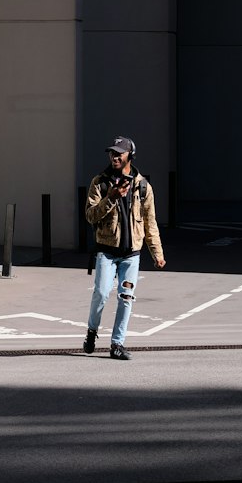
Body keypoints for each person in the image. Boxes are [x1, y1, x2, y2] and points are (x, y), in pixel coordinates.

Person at [83, 137, 165, 360]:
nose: (114, 157)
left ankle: (117, 344)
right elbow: (90, 216)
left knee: (126, 297)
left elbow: (150, 222)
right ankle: (92, 332)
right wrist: (110, 197)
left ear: (130, 155)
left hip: (131, 254)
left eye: (119, 153)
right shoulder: (99, 183)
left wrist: (157, 253)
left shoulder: (143, 186)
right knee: (101, 293)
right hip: (106, 251)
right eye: (112, 153)